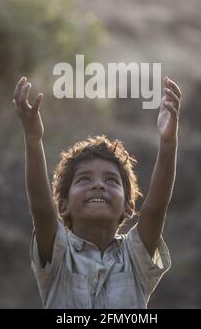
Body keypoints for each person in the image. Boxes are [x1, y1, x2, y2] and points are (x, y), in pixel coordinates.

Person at [13, 75, 181, 308]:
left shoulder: (135, 256)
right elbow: (41, 209)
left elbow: (156, 208)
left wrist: (168, 142)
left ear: (128, 206)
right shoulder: (58, 253)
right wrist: (33, 139)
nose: (98, 185)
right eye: (84, 179)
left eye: (111, 181)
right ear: (63, 205)